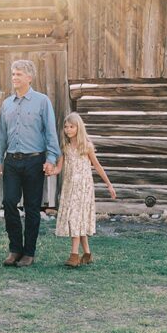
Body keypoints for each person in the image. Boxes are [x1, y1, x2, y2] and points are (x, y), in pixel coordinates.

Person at [0, 59, 61, 268]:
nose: (15, 78)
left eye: (19, 74)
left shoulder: (42, 101)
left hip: (34, 161)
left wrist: (51, 159)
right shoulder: (6, 104)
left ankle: (28, 252)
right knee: (9, 202)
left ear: (29, 77)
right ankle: (15, 249)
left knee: (32, 208)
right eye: (13, 74)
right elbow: (0, 136)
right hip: (12, 160)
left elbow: (50, 132)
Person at [53, 112, 116, 267]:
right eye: (66, 127)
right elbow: (58, 169)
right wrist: (49, 170)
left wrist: (109, 184)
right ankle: (87, 254)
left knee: (76, 218)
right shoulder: (65, 147)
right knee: (77, 220)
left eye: (71, 127)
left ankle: (74, 255)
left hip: (83, 189)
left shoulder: (86, 146)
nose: (68, 130)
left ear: (78, 128)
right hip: (69, 188)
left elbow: (97, 166)